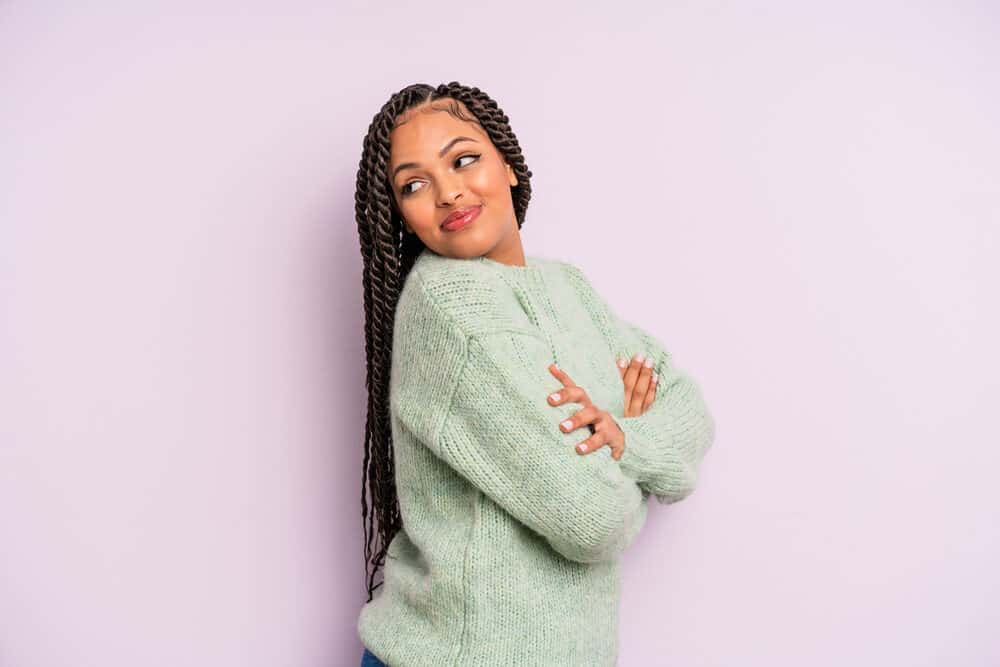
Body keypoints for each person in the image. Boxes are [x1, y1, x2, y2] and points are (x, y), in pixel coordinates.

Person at [353, 81, 715, 666]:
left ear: (509, 164)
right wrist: (622, 453)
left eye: (464, 159)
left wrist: (622, 438)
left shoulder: (564, 285)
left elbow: (686, 404)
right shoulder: (449, 304)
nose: (448, 192)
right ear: (401, 214)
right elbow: (594, 521)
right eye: (415, 185)